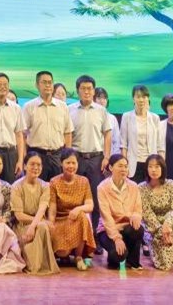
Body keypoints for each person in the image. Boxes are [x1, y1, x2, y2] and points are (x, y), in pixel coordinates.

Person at [68, 75, 111, 227]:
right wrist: (68, 157)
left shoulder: (101, 110)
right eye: (83, 88)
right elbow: (67, 134)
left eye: (89, 88)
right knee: (75, 197)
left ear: (93, 91)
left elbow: (107, 134)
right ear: (77, 91)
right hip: (76, 158)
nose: (86, 92)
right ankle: (76, 232)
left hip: (96, 158)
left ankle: (95, 234)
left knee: (95, 197)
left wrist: (106, 157)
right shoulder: (69, 110)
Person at [139, 154, 173, 270]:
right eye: (150, 166)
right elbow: (146, 213)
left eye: (157, 166)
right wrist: (161, 229)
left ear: (163, 168)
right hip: (153, 226)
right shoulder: (141, 188)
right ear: (146, 169)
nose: (154, 170)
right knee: (164, 264)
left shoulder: (171, 184)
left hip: (170, 222)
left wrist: (167, 223)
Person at [11, 152, 59, 275]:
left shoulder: (45, 186)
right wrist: (38, 222)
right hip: (22, 225)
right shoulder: (16, 187)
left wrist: (33, 226)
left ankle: (41, 265)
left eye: (39, 165)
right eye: (32, 164)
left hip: (37, 224)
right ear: (25, 166)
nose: (36, 167)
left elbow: (42, 209)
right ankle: (35, 265)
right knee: (42, 225)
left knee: (42, 227)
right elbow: (19, 216)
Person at [49, 149, 96, 270]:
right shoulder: (54, 182)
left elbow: (90, 205)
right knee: (62, 253)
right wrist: (51, 225)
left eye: (73, 163)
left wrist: (78, 209)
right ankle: (64, 256)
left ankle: (78, 257)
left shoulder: (84, 181)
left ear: (77, 164)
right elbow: (52, 209)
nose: (71, 166)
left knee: (83, 216)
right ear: (61, 163)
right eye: (68, 163)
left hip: (75, 219)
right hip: (60, 220)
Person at [23, 71, 73, 181]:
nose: (47, 85)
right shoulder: (29, 106)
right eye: (44, 82)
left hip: (57, 155)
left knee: (57, 188)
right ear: (37, 85)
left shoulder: (63, 106)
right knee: (36, 187)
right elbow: (22, 134)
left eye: (50, 82)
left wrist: (68, 156)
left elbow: (68, 132)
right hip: (37, 155)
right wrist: (24, 156)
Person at [96, 154, 143, 270]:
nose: (124, 169)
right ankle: (117, 256)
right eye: (120, 166)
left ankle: (133, 261)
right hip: (108, 230)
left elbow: (138, 208)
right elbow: (106, 218)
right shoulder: (102, 188)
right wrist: (116, 238)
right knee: (118, 256)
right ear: (111, 167)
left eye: (126, 166)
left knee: (137, 229)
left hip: (127, 227)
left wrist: (136, 215)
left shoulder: (133, 186)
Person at [120, 85, 164, 182]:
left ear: (148, 98)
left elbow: (160, 145)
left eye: (144, 97)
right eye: (138, 96)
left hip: (151, 164)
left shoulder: (155, 118)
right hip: (133, 163)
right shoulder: (126, 117)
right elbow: (123, 145)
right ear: (133, 99)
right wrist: (124, 165)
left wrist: (161, 165)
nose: (141, 100)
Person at [94, 88, 121, 157]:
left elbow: (116, 141)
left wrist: (113, 157)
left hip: (109, 156)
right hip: (93, 156)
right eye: (99, 98)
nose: (102, 101)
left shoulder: (112, 118)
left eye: (104, 98)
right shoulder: (90, 117)